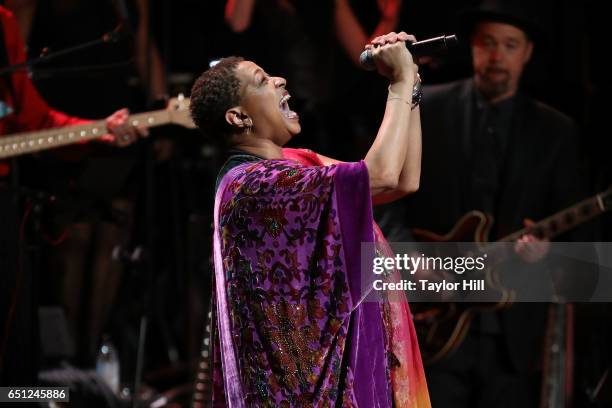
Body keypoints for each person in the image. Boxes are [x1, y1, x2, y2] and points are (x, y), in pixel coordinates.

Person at [189, 31, 431, 406]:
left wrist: (409, 82)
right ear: (238, 117)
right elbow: (380, 174)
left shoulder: (294, 166)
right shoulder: (254, 184)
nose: (279, 80)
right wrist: (398, 83)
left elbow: (400, 180)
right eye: (262, 80)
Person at [378, 1, 592, 407]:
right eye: (488, 43)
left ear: (527, 52)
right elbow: (388, 207)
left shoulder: (557, 131)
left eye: (510, 45)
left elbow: (577, 240)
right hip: (432, 322)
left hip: (513, 336)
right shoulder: (430, 106)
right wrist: (412, 263)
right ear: (473, 47)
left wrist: (547, 254)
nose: (497, 56)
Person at [0, 4, 147, 386]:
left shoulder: (4, 22)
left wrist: (102, 129)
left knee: (13, 345)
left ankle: (21, 399)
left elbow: (37, 121)